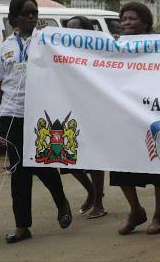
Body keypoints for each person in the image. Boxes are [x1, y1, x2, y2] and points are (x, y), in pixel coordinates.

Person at [0, 0, 72, 243]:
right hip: (11, 114)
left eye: (34, 13)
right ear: (14, 18)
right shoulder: (6, 45)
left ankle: (62, 203)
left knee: (42, 164)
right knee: (19, 172)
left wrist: (49, 38)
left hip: (39, 115)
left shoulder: (46, 40)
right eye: (25, 14)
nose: (30, 17)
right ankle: (22, 226)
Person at [110, 2, 160, 235]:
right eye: (124, 19)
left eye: (132, 19)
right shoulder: (114, 45)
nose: (126, 23)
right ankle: (136, 210)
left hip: (157, 113)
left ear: (145, 23)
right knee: (121, 165)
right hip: (127, 115)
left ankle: (159, 215)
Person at [59, 16, 107, 219]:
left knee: (94, 156)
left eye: (76, 29)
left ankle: (98, 202)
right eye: (68, 30)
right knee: (64, 155)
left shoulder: (98, 51)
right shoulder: (60, 50)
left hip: (93, 109)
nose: (71, 34)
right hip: (67, 108)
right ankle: (92, 190)